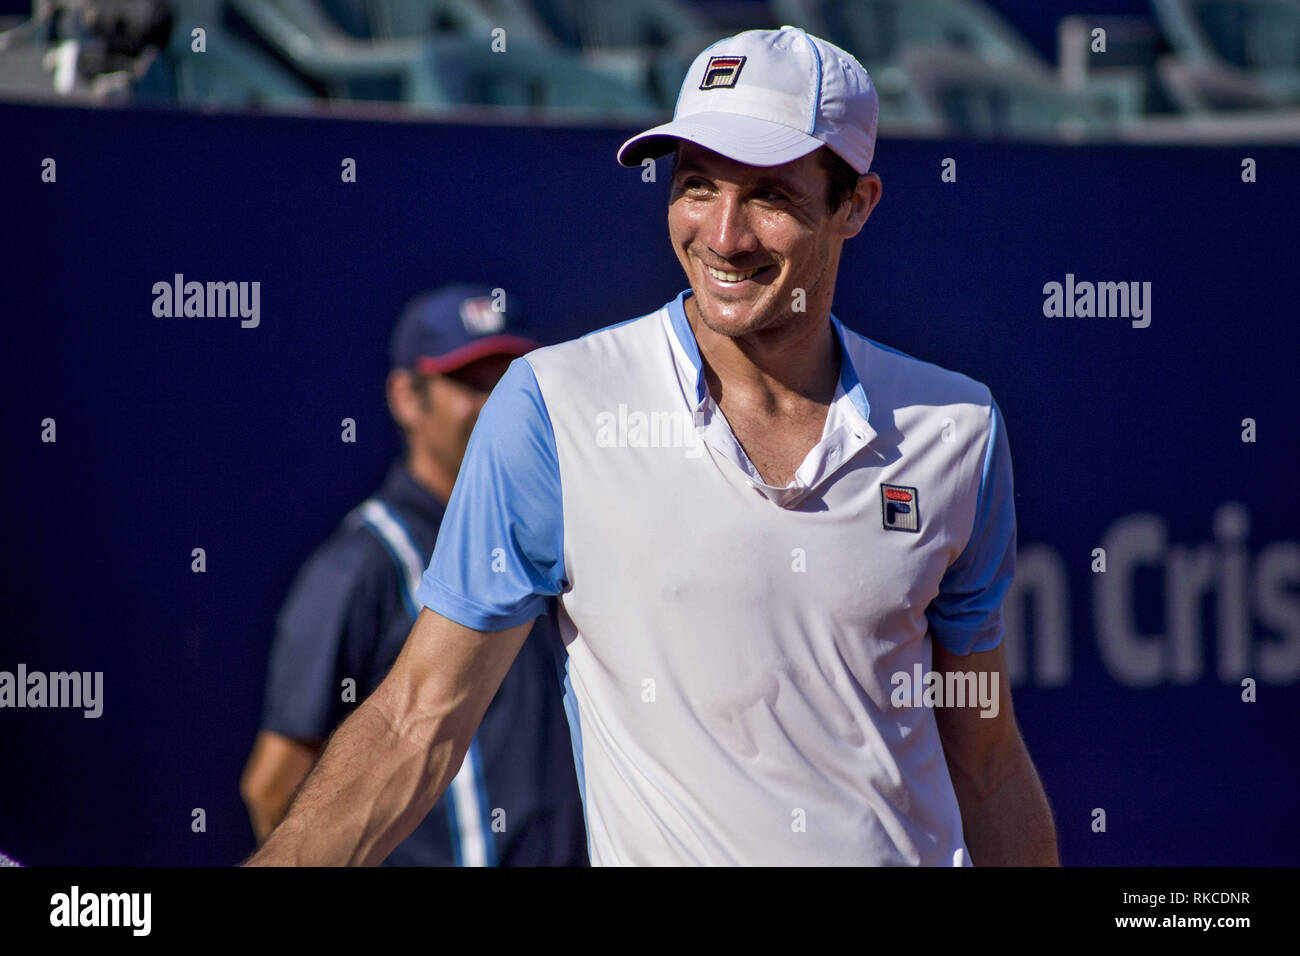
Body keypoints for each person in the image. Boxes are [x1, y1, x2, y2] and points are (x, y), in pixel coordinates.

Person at [247, 26, 1058, 867]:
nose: (724, 234)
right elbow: (418, 722)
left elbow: (985, 757)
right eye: (697, 185)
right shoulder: (553, 408)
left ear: (855, 205)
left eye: (771, 196)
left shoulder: (959, 428)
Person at [240, 284, 588, 866]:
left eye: (507, 380)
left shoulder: (559, 530)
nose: (492, 403)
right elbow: (274, 783)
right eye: (468, 382)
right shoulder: (360, 566)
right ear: (407, 397)